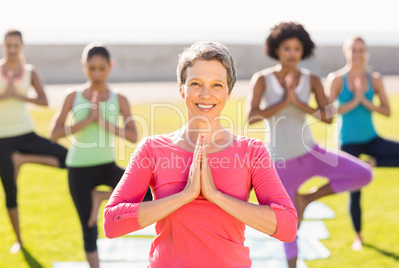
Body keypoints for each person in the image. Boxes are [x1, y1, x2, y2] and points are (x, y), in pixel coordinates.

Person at [103, 41, 298, 267]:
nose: (206, 94)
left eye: (217, 85)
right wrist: (185, 195)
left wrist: (215, 195)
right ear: (181, 87)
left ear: (228, 91)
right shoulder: (152, 149)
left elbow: (287, 226)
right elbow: (112, 223)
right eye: (196, 83)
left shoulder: (251, 152)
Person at [245, 22, 373, 268]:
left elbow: (329, 118)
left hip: (312, 153)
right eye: (287, 48)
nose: (292, 53)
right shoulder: (263, 79)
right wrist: (285, 101)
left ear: (303, 51)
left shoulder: (311, 79)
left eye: (297, 48)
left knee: (363, 174)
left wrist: (298, 102)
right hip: (281, 161)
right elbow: (252, 117)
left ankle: (308, 199)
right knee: (289, 225)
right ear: (276, 50)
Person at [49, 43, 152, 268]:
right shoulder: (72, 96)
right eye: (91, 68)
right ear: (83, 66)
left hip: (107, 165)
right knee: (89, 226)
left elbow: (133, 135)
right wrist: (86, 120)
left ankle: (100, 197)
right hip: (78, 168)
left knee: (146, 195)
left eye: (101, 68)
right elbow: (54, 134)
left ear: (110, 66)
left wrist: (102, 121)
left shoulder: (119, 99)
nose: (96, 74)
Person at [326, 35, 399, 251]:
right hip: (347, 142)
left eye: (361, 50)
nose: (358, 54)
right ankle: (358, 236)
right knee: (355, 189)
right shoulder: (337, 79)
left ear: (366, 52)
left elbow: (387, 111)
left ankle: (374, 163)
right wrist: (355, 100)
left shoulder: (375, 78)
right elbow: (327, 113)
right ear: (346, 52)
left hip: (371, 138)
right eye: (354, 50)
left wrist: (366, 101)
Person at [0, 29, 68, 253]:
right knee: (10, 190)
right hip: (3, 139)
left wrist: (19, 96)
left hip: (26, 133)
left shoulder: (30, 71)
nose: (11, 49)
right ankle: (19, 241)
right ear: (3, 46)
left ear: (21, 46)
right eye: (8, 45)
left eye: (15, 45)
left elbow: (43, 100)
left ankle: (23, 160)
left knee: (67, 158)